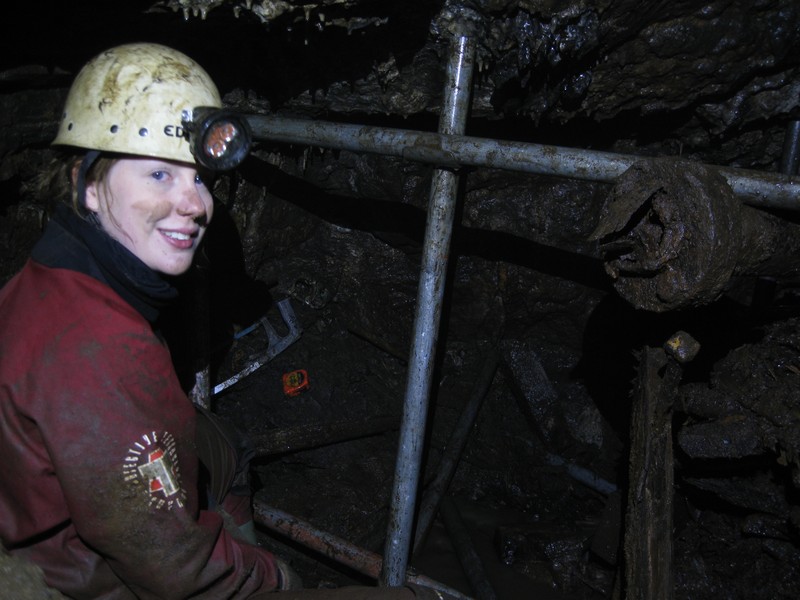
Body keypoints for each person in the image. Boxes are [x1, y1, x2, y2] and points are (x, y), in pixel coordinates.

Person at [0, 42, 302, 599]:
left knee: (221, 443)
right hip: (78, 584)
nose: (196, 205)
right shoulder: (107, 349)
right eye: (160, 176)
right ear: (87, 184)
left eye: (199, 179)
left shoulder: (45, 277)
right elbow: (172, 572)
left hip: (37, 511)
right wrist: (276, 577)